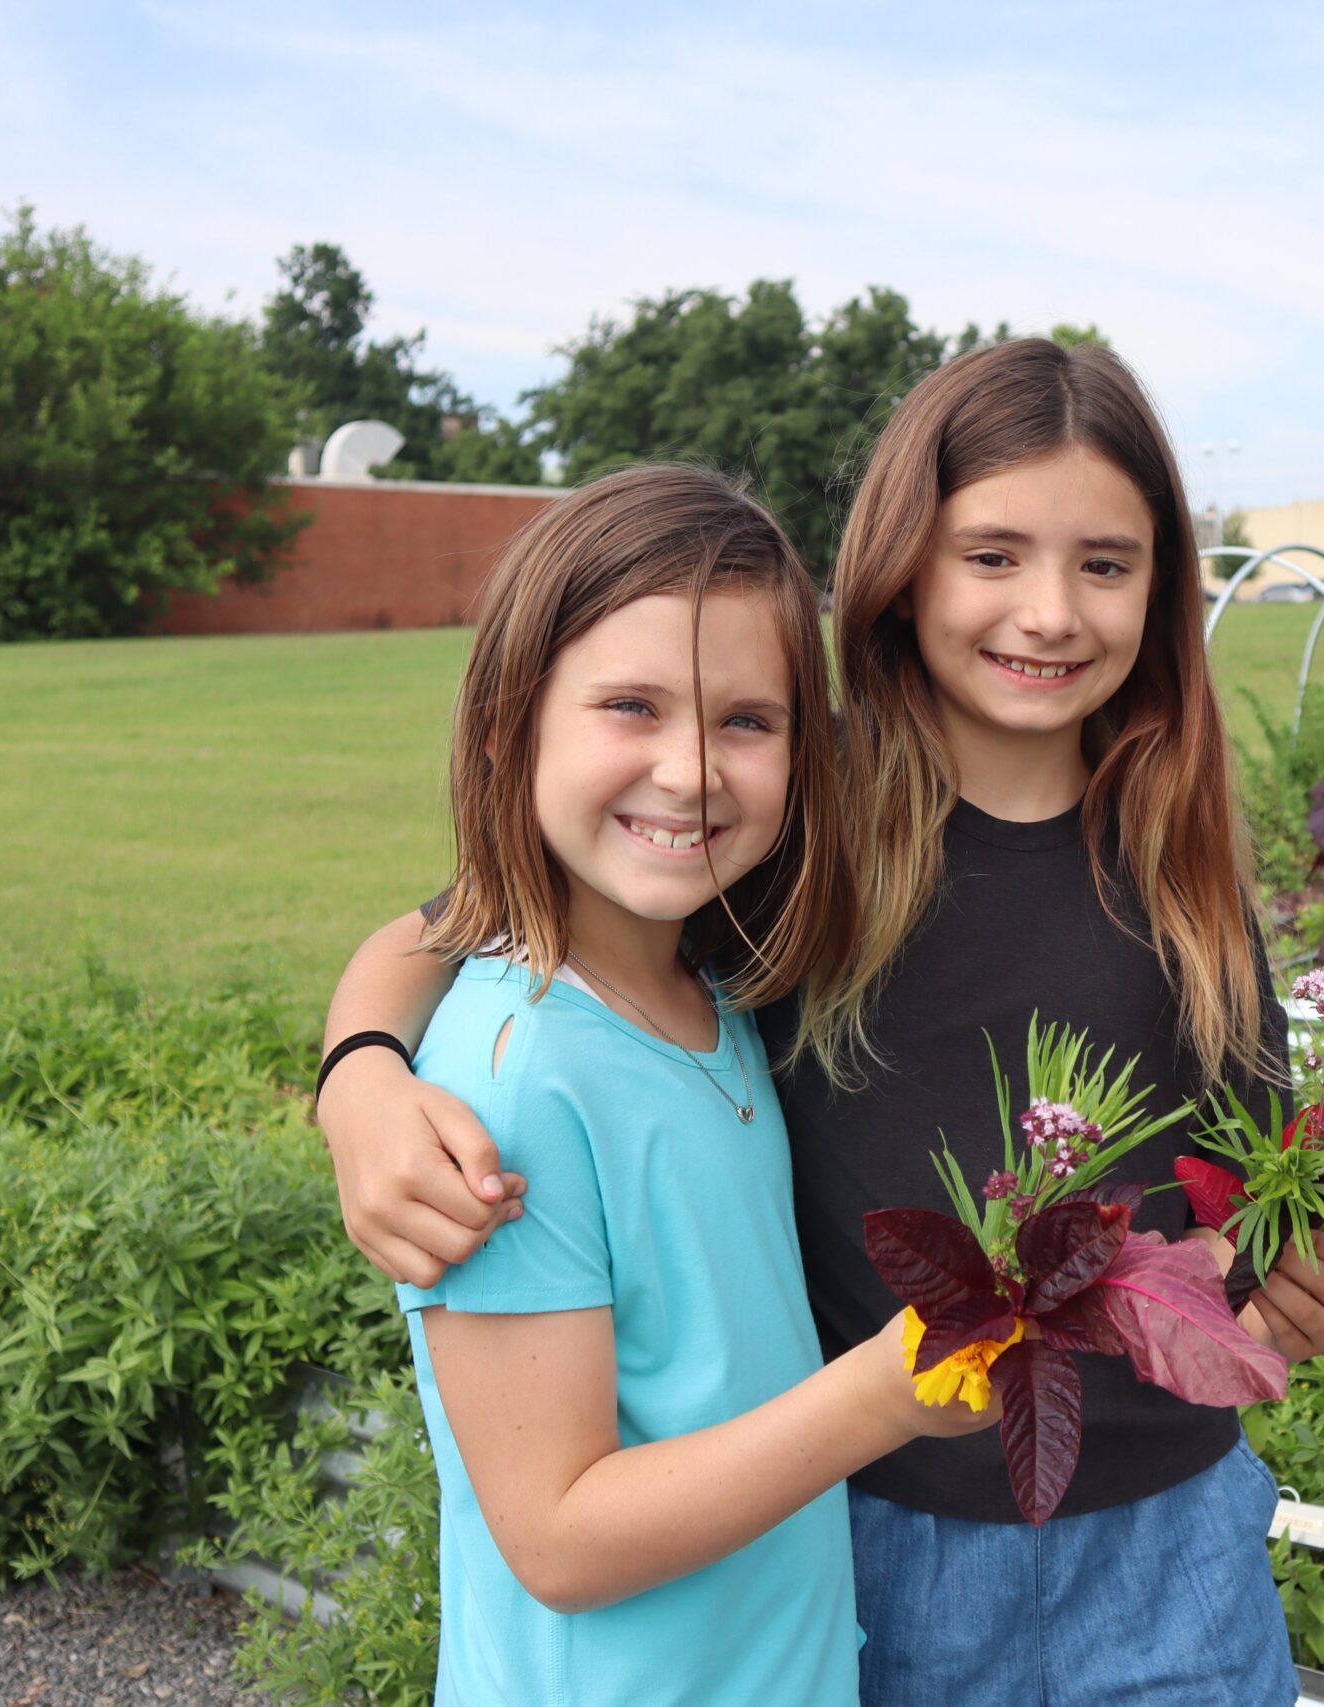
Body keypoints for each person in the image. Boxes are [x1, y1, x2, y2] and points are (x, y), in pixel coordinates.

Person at [319, 341, 1324, 1705]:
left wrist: (1304, 1289)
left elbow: (1242, 1202)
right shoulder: (790, 812)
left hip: (1175, 1548)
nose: (1048, 611)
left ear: (1162, 585)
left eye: (1104, 563)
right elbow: (452, 923)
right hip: (879, 1553)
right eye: (992, 553)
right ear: (903, 563)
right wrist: (358, 1074)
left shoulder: (1176, 858)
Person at [338, 462, 990, 1707]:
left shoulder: (713, 989)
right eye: (631, 707)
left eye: (748, 721)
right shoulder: (512, 1081)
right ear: (505, 729)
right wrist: (883, 1396)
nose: (692, 772)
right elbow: (560, 1538)